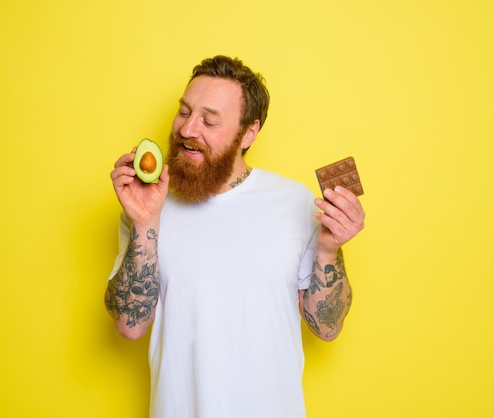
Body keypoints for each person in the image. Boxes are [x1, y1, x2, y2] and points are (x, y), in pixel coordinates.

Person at [105, 55, 365, 418]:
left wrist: (328, 249)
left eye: (209, 120)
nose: (187, 129)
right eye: (184, 112)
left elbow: (327, 326)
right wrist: (145, 223)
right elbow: (129, 326)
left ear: (249, 133)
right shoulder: (149, 204)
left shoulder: (296, 203)